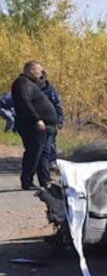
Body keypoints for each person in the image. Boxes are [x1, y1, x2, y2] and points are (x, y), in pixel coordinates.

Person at [11, 61, 58, 190]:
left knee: (43, 153)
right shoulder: (22, 83)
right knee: (33, 153)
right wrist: (37, 119)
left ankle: (45, 180)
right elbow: (24, 103)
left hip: (44, 125)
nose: (41, 74)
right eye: (39, 71)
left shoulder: (31, 84)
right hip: (32, 125)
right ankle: (27, 181)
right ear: (31, 70)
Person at [39, 70, 63, 168]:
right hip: (36, 120)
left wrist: (60, 120)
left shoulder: (50, 91)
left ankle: (51, 161)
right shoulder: (32, 89)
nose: (40, 80)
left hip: (50, 121)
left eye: (42, 78)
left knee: (51, 142)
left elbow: (57, 106)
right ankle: (40, 162)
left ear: (45, 78)